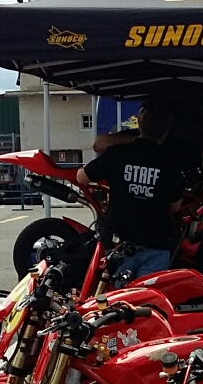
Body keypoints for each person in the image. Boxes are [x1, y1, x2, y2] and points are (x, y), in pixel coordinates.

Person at [77, 99, 188, 282]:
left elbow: (81, 177)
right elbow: (175, 207)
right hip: (156, 245)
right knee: (147, 298)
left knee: (120, 297)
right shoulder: (170, 162)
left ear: (139, 125)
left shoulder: (117, 153)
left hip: (119, 244)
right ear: (166, 132)